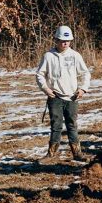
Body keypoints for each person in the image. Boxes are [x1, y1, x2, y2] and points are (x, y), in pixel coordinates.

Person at [36, 25, 91, 165]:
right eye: (62, 40)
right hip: (55, 97)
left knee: (72, 124)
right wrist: (46, 89)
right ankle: (51, 154)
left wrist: (83, 89)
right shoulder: (48, 56)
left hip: (72, 97)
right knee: (56, 125)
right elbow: (40, 75)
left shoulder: (75, 56)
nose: (65, 43)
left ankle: (77, 153)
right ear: (56, 40)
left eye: (67, 41)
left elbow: (85, 73)